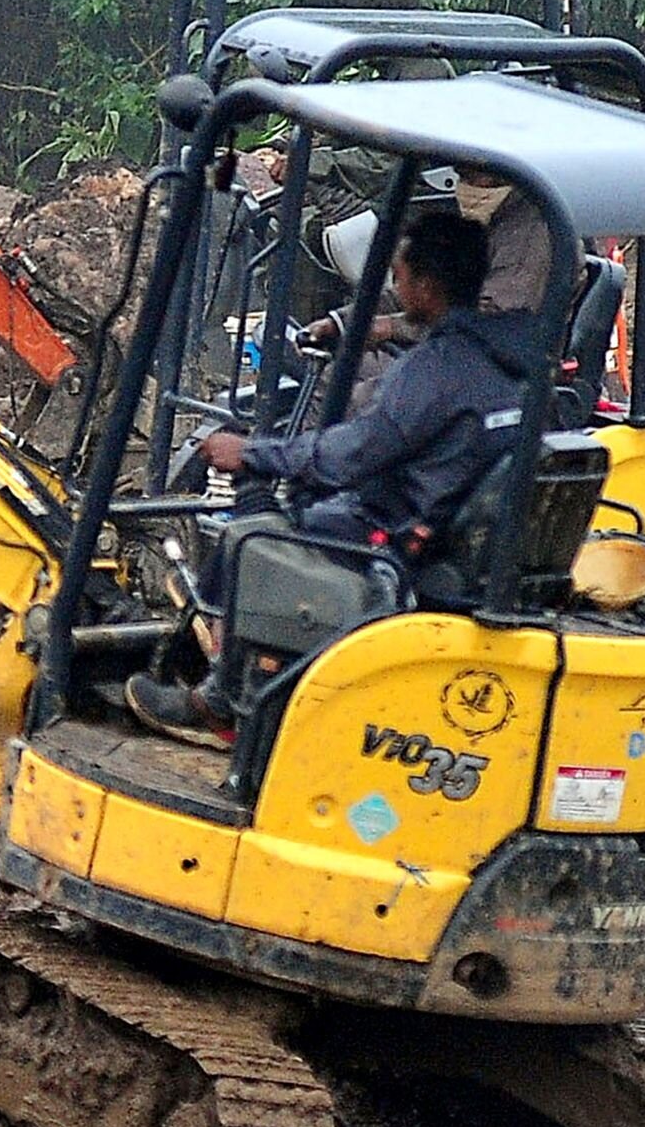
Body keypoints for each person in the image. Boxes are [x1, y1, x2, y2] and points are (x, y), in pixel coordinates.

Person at [129, 210, 529, 742]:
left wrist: (256, 452)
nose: (395, 284)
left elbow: (352, 455)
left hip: (393, 538)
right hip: (445, 530)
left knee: (248, 538)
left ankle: (223, 701)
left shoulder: (438, 368)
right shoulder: (511, 360)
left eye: (400, 275)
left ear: (426, 286)